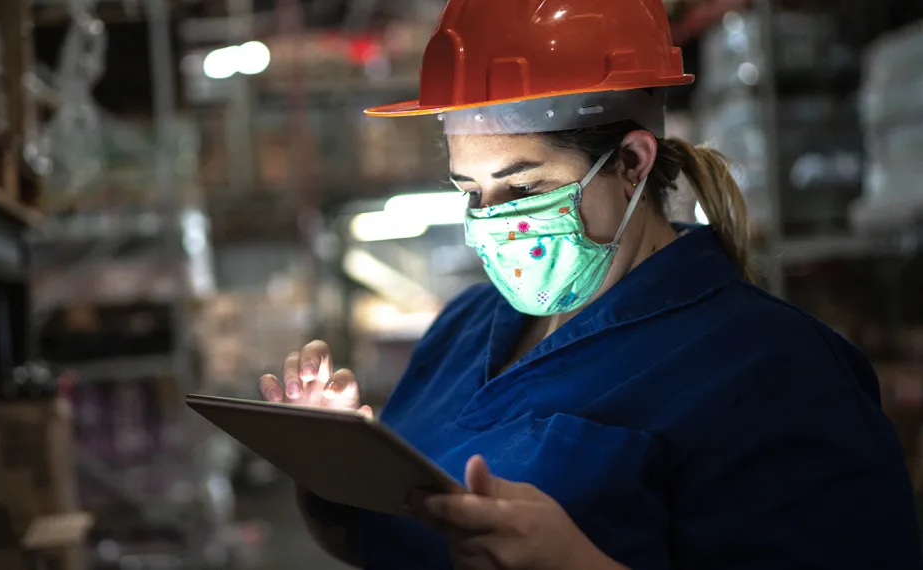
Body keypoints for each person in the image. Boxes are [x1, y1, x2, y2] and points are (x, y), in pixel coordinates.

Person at [257, 1, 923, 568]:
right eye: (471, 192)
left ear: (632, 163)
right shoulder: (465, 327)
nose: (491, 221)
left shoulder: (778, 375)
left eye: (523, 188)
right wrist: (333, 466)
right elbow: (382, 542)